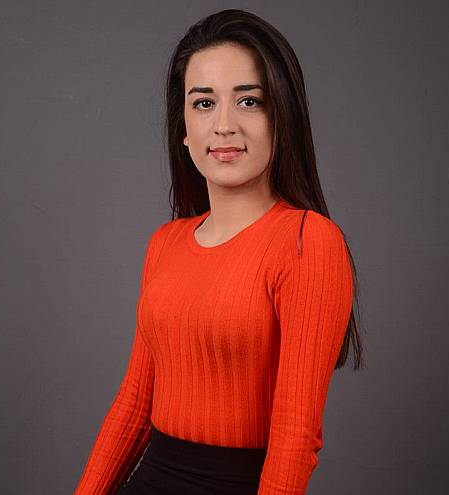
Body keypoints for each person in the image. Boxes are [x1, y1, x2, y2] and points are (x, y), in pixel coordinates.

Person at [73, 8, 364, 495]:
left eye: (249, 101)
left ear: (282, 118)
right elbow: (134, 404)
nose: (224, 125)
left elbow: (296, 435)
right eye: (204, 103)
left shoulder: (307, 241)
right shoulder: (165, 243)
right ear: (183, 127)